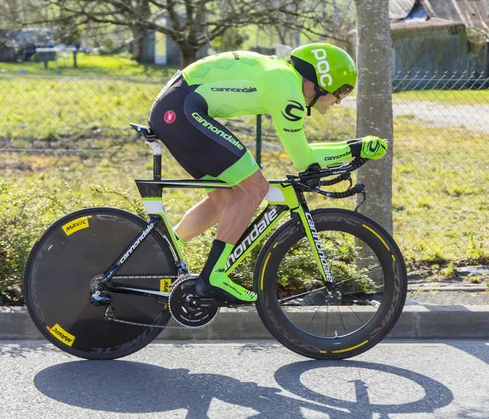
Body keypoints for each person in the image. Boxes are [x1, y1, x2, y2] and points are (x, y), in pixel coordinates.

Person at [148, 43, 387, 304]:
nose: (339, 101)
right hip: (181, 111)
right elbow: (304, 159)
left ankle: (157, 255)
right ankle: (213, 276)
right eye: (341, 91)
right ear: (322, 80)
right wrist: (355, 148)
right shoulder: (286, 89)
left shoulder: (281, 75)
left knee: (225, 199)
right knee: (255, 188)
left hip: (175, 109)